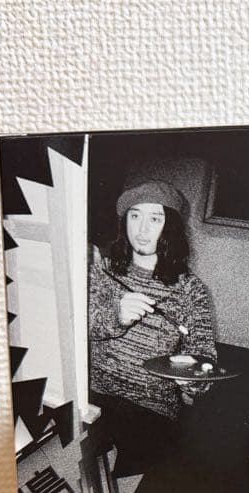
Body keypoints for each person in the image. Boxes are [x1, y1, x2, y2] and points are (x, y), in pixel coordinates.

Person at [89, 179, 217, 424]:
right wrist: (116, 317)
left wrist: (192, 378)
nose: (142, 229)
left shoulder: (191, 289)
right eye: (135, 216)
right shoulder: (101, 272)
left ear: (171, 227)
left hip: (152, 408)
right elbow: (78, 330)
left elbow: (204, 358)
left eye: (155, 219)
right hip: (95, 396)